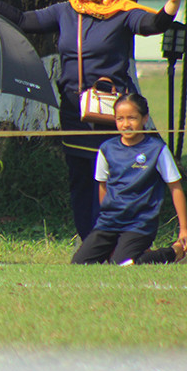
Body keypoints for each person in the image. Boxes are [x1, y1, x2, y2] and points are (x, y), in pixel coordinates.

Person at [0, 0, 184, 238]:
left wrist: (172, 5)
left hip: (112, 113)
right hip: (73, 110)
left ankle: (121, 240)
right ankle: (91, 242)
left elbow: (153, 25)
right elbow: (23, 20)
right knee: (82, 178)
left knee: (115, 178)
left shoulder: (123, 12)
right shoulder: (66, 11)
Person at [72, 93, 187, 265]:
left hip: (139, 225)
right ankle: (126, 251)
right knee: (79, 264)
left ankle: (173, 252)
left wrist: (184, 229)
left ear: (144, 118)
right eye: (120, 119)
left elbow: (175, 188)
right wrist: (104, 218)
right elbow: (103, 186)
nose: (126, 124)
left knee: (123, 265)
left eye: (132, 118)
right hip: (109, 223)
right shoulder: (106, 149)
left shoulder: (157, 149)